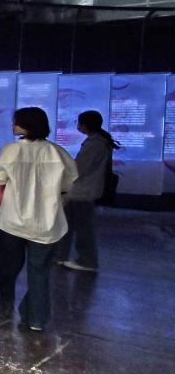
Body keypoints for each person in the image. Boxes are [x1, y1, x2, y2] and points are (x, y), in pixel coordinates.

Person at [0, 107, 78, 331]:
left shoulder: (11, 151)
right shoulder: (57, 152)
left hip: (12, 220)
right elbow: (70, 181)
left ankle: (6, 299)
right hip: (46, 222)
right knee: (39, 273)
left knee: (8, 265)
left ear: (26, 126)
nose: (13, 125)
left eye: (16, 122)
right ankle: (37, 319)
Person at [55, 110, 120, 272]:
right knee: (69, 225)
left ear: (85, 124)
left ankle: (87, 261)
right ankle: (60, 256)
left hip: (82, 192)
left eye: (78, 122)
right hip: (81, 191)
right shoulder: (98, 141)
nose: (77, 125)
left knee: (83, 228)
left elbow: (79, 169)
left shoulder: (95, 144)